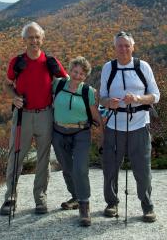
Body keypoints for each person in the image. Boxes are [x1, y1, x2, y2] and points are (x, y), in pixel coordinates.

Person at [0, 22, 68, 216]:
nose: (34, 41)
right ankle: (10, 198)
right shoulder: (17, 62)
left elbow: (69, 81)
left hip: (46, 114)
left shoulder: (50, 61)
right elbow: (7, 84)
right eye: (30, 37)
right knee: (16, 157)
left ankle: (40, 198)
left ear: (42, 39)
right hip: (23, 115)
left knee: (43, 159)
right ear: (24, 40)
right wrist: (14, 97)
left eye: (37, 37)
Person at [99, 31, 160, 223]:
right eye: (120, 46)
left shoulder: (143, 67)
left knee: (142, 169)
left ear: (133, 47)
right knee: (110, 166)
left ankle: (147, 206)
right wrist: (110, 102)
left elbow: (155, 95)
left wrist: (138, 98)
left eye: (127, 45)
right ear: (115, 48)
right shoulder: (108, 68)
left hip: (140, 125)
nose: (123, 49)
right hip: (114, 125)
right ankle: (111, 203)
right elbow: (101, 97)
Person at [51, 56, 102, 227]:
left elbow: (96, 115)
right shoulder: (58, 84)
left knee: (80, 168)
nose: (77, 75)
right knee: (67, 168)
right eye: (75, 71)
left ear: (85, 76)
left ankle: (84, 205)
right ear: (70, 70)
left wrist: (105, 133)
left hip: (81, 133)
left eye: (81, 73)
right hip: (58, 132)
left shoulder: (88, 91)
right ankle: (75, 196)